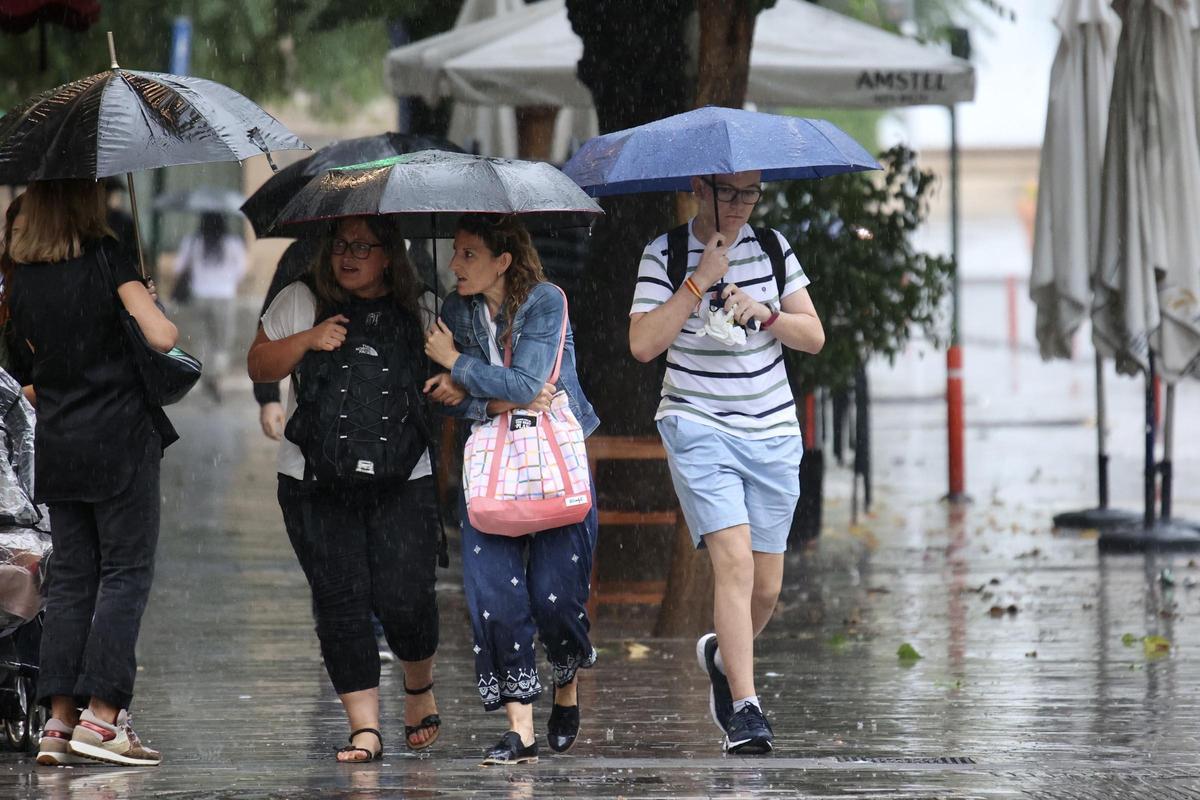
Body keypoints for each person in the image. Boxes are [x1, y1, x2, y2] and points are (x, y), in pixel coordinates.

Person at [627, 171, 825, 754]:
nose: (740, 205)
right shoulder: (663, 252)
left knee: (765, 587)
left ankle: (720, 656)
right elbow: (642, 345)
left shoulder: (772, 247)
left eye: (750, 194)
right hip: (697, 424)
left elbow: (813, 336)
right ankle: (746, 708)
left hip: (771, 430)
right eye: (729, 193)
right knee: (733, 564)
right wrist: (698, 283)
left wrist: (764, 313)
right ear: (699, 188)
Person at [246, 216, 442, 762]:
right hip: (314, 479)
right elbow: (258, 361)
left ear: (390, 255)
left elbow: (456, 369)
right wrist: (308, 340)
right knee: (341, 601)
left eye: (362, 246)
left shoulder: (423, 306)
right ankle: (365, 728)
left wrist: (451, 378)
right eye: (339, 245)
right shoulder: (301, 298)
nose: (347, 256)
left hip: (405, 478)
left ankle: (418, 686)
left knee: (405, 597)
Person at [6, 179, 179, 767]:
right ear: (84, 200)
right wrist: (145, 300)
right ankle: (103, 718)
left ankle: (57, 722)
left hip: (60, 443)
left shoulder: (21, 277)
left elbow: (28, 364)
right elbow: (162, 338)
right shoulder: (107, 256)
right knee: (126, 574)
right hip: (121, 442)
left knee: (73, 580)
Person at [423, 214, 599, 766]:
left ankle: (565, 677)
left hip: (551, 464)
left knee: (557, 598)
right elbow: (449, 395)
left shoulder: (545, 301)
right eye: (454, 252)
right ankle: (519, 730)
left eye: (469, 254)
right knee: (495, 600)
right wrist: (493, 400)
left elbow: (528, 382)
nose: (455, 264)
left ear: (504, 260)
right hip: (490, 471)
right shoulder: (454, 311)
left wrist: (458, 365)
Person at [174, 212, 247, 402]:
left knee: (202, 339)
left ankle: (202, 374)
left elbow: (178, 267)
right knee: (222, 341)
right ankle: (216, 377)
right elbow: (242, 270)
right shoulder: (233, 243)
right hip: (224, 296)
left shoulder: (193, 242)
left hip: (200, 295)